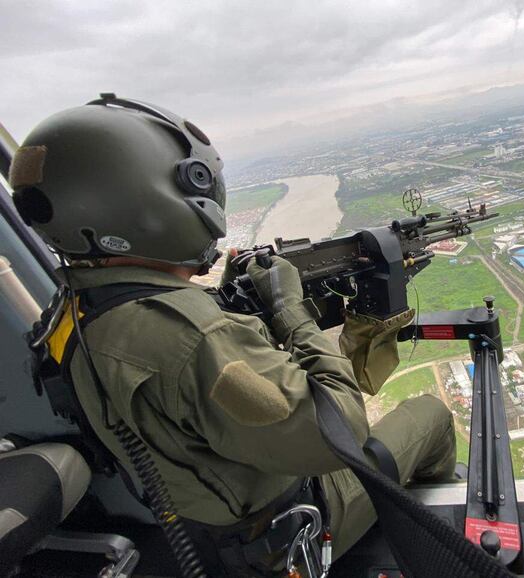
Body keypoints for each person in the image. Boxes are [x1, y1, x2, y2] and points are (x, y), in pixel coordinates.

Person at [9, 96, 456, 576]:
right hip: (283, 531)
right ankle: (436, 530)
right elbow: (340, 433)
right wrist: (291, 311)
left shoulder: (75, 308)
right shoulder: (194, 337)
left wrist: (225, 309)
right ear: (145, 204)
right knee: (430, 415)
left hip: (196, 521)